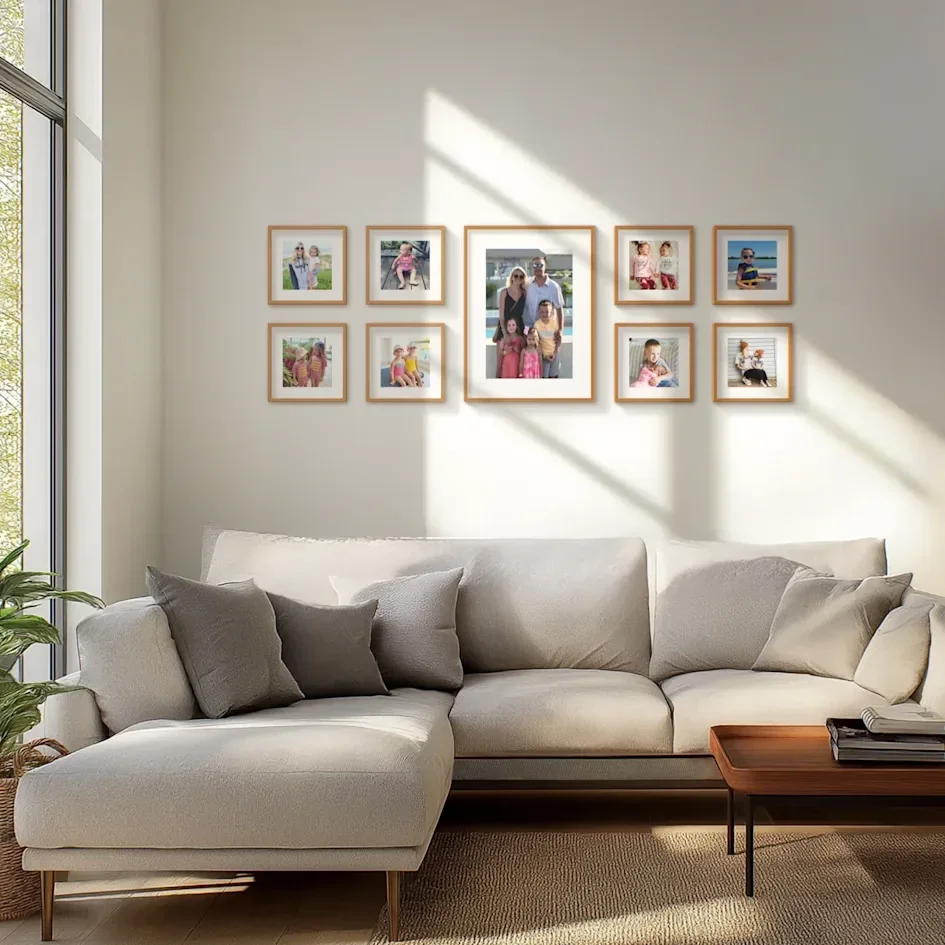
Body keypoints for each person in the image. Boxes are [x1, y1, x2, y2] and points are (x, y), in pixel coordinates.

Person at [494, 266, 528, 377]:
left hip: (519, 330)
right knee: (499, 363)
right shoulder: (504, 292)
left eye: (521, 276)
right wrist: (505, 333)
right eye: (516, 275)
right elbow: (501, 315)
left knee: (519, 363)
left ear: (524, 278)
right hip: (504, 328)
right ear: (512, 277)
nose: (518, 278)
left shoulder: (525, 293)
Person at [523, 256, 564, 331]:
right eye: (535, 265)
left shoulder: (554, 287)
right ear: (532, 267)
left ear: (545, 267)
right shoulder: (527, 284)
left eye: (540, 265)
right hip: (528, 328)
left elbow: (559, 309)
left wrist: (560, 331)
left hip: (546, 329)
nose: (537, 268)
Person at [532, 299, 561, 378]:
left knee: (554, 377)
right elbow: (536, 342)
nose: (544, 314)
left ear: (551, 312)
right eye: (542, 311)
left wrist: (555, 353)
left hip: (555, 355)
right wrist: (543, 355)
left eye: (547, 311)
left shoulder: (554, 323)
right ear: (539, 312)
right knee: (544, 377)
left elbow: (558, 339)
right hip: (543, 356)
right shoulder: (537, 325)